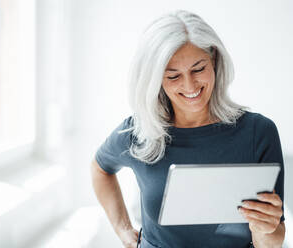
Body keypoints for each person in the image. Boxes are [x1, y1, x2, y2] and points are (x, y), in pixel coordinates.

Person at [90, 9, 285, 248]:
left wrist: (266, 229)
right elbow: (100, 169)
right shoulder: (138, 132)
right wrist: (123, 230)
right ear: (156, 79)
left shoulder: (258, 132)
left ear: (214, 59)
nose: (190, 85)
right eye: (173, 76)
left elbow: (272, 242)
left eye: (198, 69)